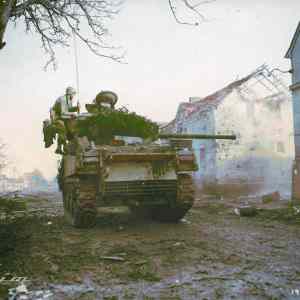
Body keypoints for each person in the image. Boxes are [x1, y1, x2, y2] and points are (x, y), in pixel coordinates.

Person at [50, 87, 80, 154]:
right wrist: (73, 114)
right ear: (70, 94)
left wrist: (76, 108)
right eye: (73, 94)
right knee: (62, 127)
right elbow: (63, 114)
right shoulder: (63, 99)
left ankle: (69, 145)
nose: (73, 96)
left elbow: (68, 109)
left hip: (62, 117)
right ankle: (60, 147)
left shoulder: (68, 99)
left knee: (72, 125)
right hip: (56, 117)